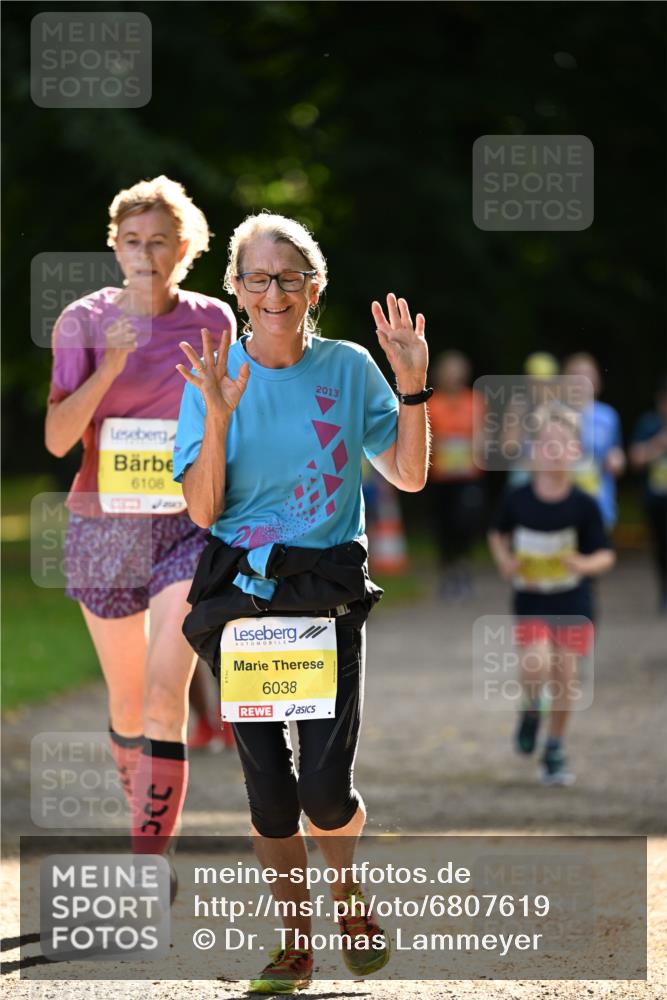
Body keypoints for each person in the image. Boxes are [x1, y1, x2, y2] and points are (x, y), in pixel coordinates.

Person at [173, 212, 429, 993]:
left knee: (323, 790)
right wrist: (216, 416)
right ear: (237, 290)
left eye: (289, 277)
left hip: (325, 595)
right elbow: (202, 511)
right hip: (242, 601)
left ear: (313, 287)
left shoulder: (349, 368)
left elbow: (411, 475)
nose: (274, 291)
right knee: (270, 794)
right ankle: (294, 941)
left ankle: (346, 890)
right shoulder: (213, 376)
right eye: (257, 277)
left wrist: (412, 384)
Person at [44, 176, 236, 858]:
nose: (145, 254)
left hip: (186, 524)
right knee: (127, 707)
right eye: (131, 242)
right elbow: (58, 438)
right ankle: (143, 829)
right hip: (105, 526)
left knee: (165, 696)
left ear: (185, 248)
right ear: (115, 246)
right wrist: (109, 367)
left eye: (159, 242)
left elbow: (229, 421)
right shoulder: (82, 321)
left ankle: (150, 862)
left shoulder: (214, 320)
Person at [488, 404, 615, 786]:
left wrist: (583, 565)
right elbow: (497, 533)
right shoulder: (518, 498)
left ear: (576, 452)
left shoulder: (584, 504)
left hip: (574, 600)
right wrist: (505, 561)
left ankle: (555, 748)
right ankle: (530, 710)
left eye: (563, 443)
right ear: (533, 450)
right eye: (546, 443)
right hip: (532, 599)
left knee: (565, 675)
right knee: (535, 664)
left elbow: (606, 555)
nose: (554, 450)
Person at [426, 350, 485, 598]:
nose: (453, 376)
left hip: (468, 476)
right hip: (440, 477)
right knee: (444, 527)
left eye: (457, 371)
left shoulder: (476, 401)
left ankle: (463, 567)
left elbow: (485, 434)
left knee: (465, 523)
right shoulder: (431, 403)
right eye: (448, 371)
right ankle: (448, 571)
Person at [562, 352, 626, 531]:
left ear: (596, 381)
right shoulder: (553, 414)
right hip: (562, 507)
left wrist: (618, 461)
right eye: (574, 374)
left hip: (599, 504)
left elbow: (616, 454)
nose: (580, 380)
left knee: (598, 556)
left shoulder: (608, 416)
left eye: (587, 374)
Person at [629, 377, 667, 612]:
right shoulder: (649, 424)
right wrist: (658, 445)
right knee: (662, 547)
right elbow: (635, 458)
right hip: (657, 501)